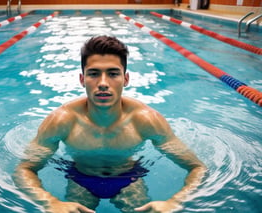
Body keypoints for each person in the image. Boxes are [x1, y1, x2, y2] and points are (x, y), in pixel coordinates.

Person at [13, 35, 207, 213]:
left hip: (127, 178)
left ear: (126, 79)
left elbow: (197, 168)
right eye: (94, 74)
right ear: (82, 79)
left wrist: (175, 202)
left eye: (113, 74)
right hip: (81, 178)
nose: (103, 83)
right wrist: (50, 202)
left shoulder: (145, 120)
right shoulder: (62, 120)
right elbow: (25, 169)